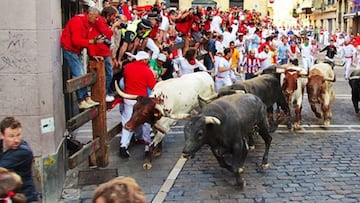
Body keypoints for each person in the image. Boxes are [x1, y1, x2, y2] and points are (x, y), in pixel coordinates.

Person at [61, 6, 102, 109]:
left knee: (81, 73)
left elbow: (87, 40)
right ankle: (81, 100)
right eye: (96, 17)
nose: (97, 20)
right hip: (70, 49)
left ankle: (85, 98)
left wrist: (92, 54)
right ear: (90, 14)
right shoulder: (77, 22)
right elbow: (76, 40)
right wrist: (93, 42)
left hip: (76, 50)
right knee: (79, 74)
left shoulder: (87, 23)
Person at [119, 51, 156, 158]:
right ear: (144, 60)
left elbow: (124, 81)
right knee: (144, 121)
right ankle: (145, 142)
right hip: (141, 100)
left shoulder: (127, 67)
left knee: (127, 120)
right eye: (147, 60)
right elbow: (153, 86)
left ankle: (124, 144)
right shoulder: (147, 70)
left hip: (128, 97)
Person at [0, 117, 38, 202]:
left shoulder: (23, 152)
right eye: (11, 136)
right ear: (2, 135)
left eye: (18, 135)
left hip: (24, 198)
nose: (16, 140)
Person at [88, 6, 121, 102]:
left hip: (103, 52)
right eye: (114, 16)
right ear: (109, 15)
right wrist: (114, 26)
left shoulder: (104, 22)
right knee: (108, 74)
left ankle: (103, 92)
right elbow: (107, 34)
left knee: (108, 73)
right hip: (99, 52)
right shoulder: (100, 21)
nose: (114, 18)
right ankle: (103, 93)